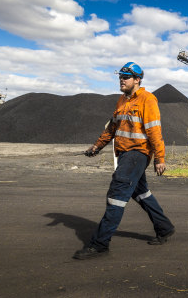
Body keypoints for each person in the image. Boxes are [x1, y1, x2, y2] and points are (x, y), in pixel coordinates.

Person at [73, 62, 175, 260]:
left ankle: (100, 243)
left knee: (117, 194)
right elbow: (112, 128)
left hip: (138, 154)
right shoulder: (122, 100)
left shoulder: (148, 99)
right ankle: (165, 228)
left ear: (137, 79)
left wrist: (159, 158)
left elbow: (155, 131)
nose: (121, 79)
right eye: (120, 76)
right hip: (125, 154)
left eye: (126, 76)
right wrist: (97, 146)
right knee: (141, 193)